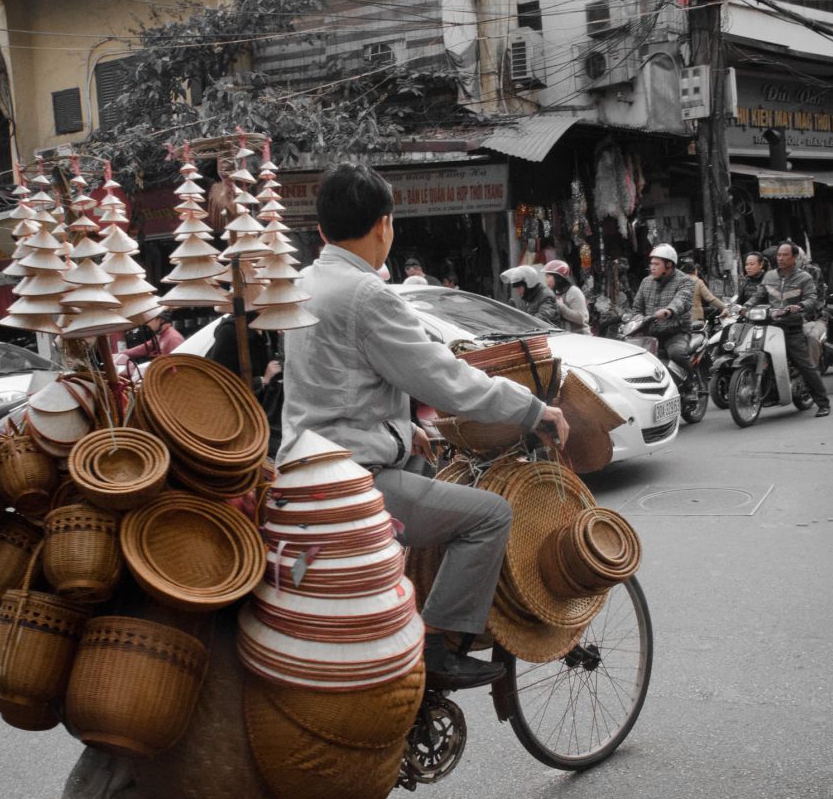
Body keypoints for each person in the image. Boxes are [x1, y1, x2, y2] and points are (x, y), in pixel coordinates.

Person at [280, 162, 568, 690]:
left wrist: (400, 426)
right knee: (489, 515)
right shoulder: (366, 294)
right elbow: (444, 379)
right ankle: (437, 646)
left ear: (321, 231)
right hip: (353, 480)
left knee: (429, 482)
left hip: (304, 469)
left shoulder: (303, 284)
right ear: (385, 225)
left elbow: (337, 380)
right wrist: (532, 409)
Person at [743, 240, 831, 417]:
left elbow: (812, 298)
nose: (781, 258)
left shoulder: (803, 277)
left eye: (785, 255)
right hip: (769, 326)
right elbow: (759, 296)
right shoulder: (769, 277)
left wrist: (800, 306)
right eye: (779, 255)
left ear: (794, 257)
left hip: (791, 328)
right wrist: (745, 306)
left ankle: (823, 403)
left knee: (805, 366)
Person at [206, 312, 283, 453]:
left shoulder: (268, 329)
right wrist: (262, 380)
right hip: (237, 415)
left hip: (264, 410)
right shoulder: (230, 332)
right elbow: (219, 380)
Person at [630, 244, 696, 399]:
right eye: (651, 264)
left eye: (656, 264)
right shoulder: (646, 282)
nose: (652, 267)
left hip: (676, 332)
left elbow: (682, 300)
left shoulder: (685, 281)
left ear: (669, 264)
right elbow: (637, 308)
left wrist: (669, 311)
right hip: (650, 334)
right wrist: (635, 319)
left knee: (677, 353)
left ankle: (691, 385)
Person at [119, 309, 184, 363]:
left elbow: (178, 365)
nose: (148, 324)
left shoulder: (173, 339)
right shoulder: (160, 335)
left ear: (161, 320)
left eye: (150, 320)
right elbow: (144, 347)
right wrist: (123, 353)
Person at [543, 259, 590, 334]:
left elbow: (581, 318)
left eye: (548, 276)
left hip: (580, 339)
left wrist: (560, 306)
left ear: (557, 277)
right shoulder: (555, 293)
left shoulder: (574, 292)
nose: (546, 280)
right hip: (564, 338)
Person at [679, 257, 727, 322]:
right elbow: (711, 299)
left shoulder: (678, 282)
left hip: (681, 320)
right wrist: (724, 307)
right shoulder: (698, 282)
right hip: (696, 320)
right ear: (695, 270)